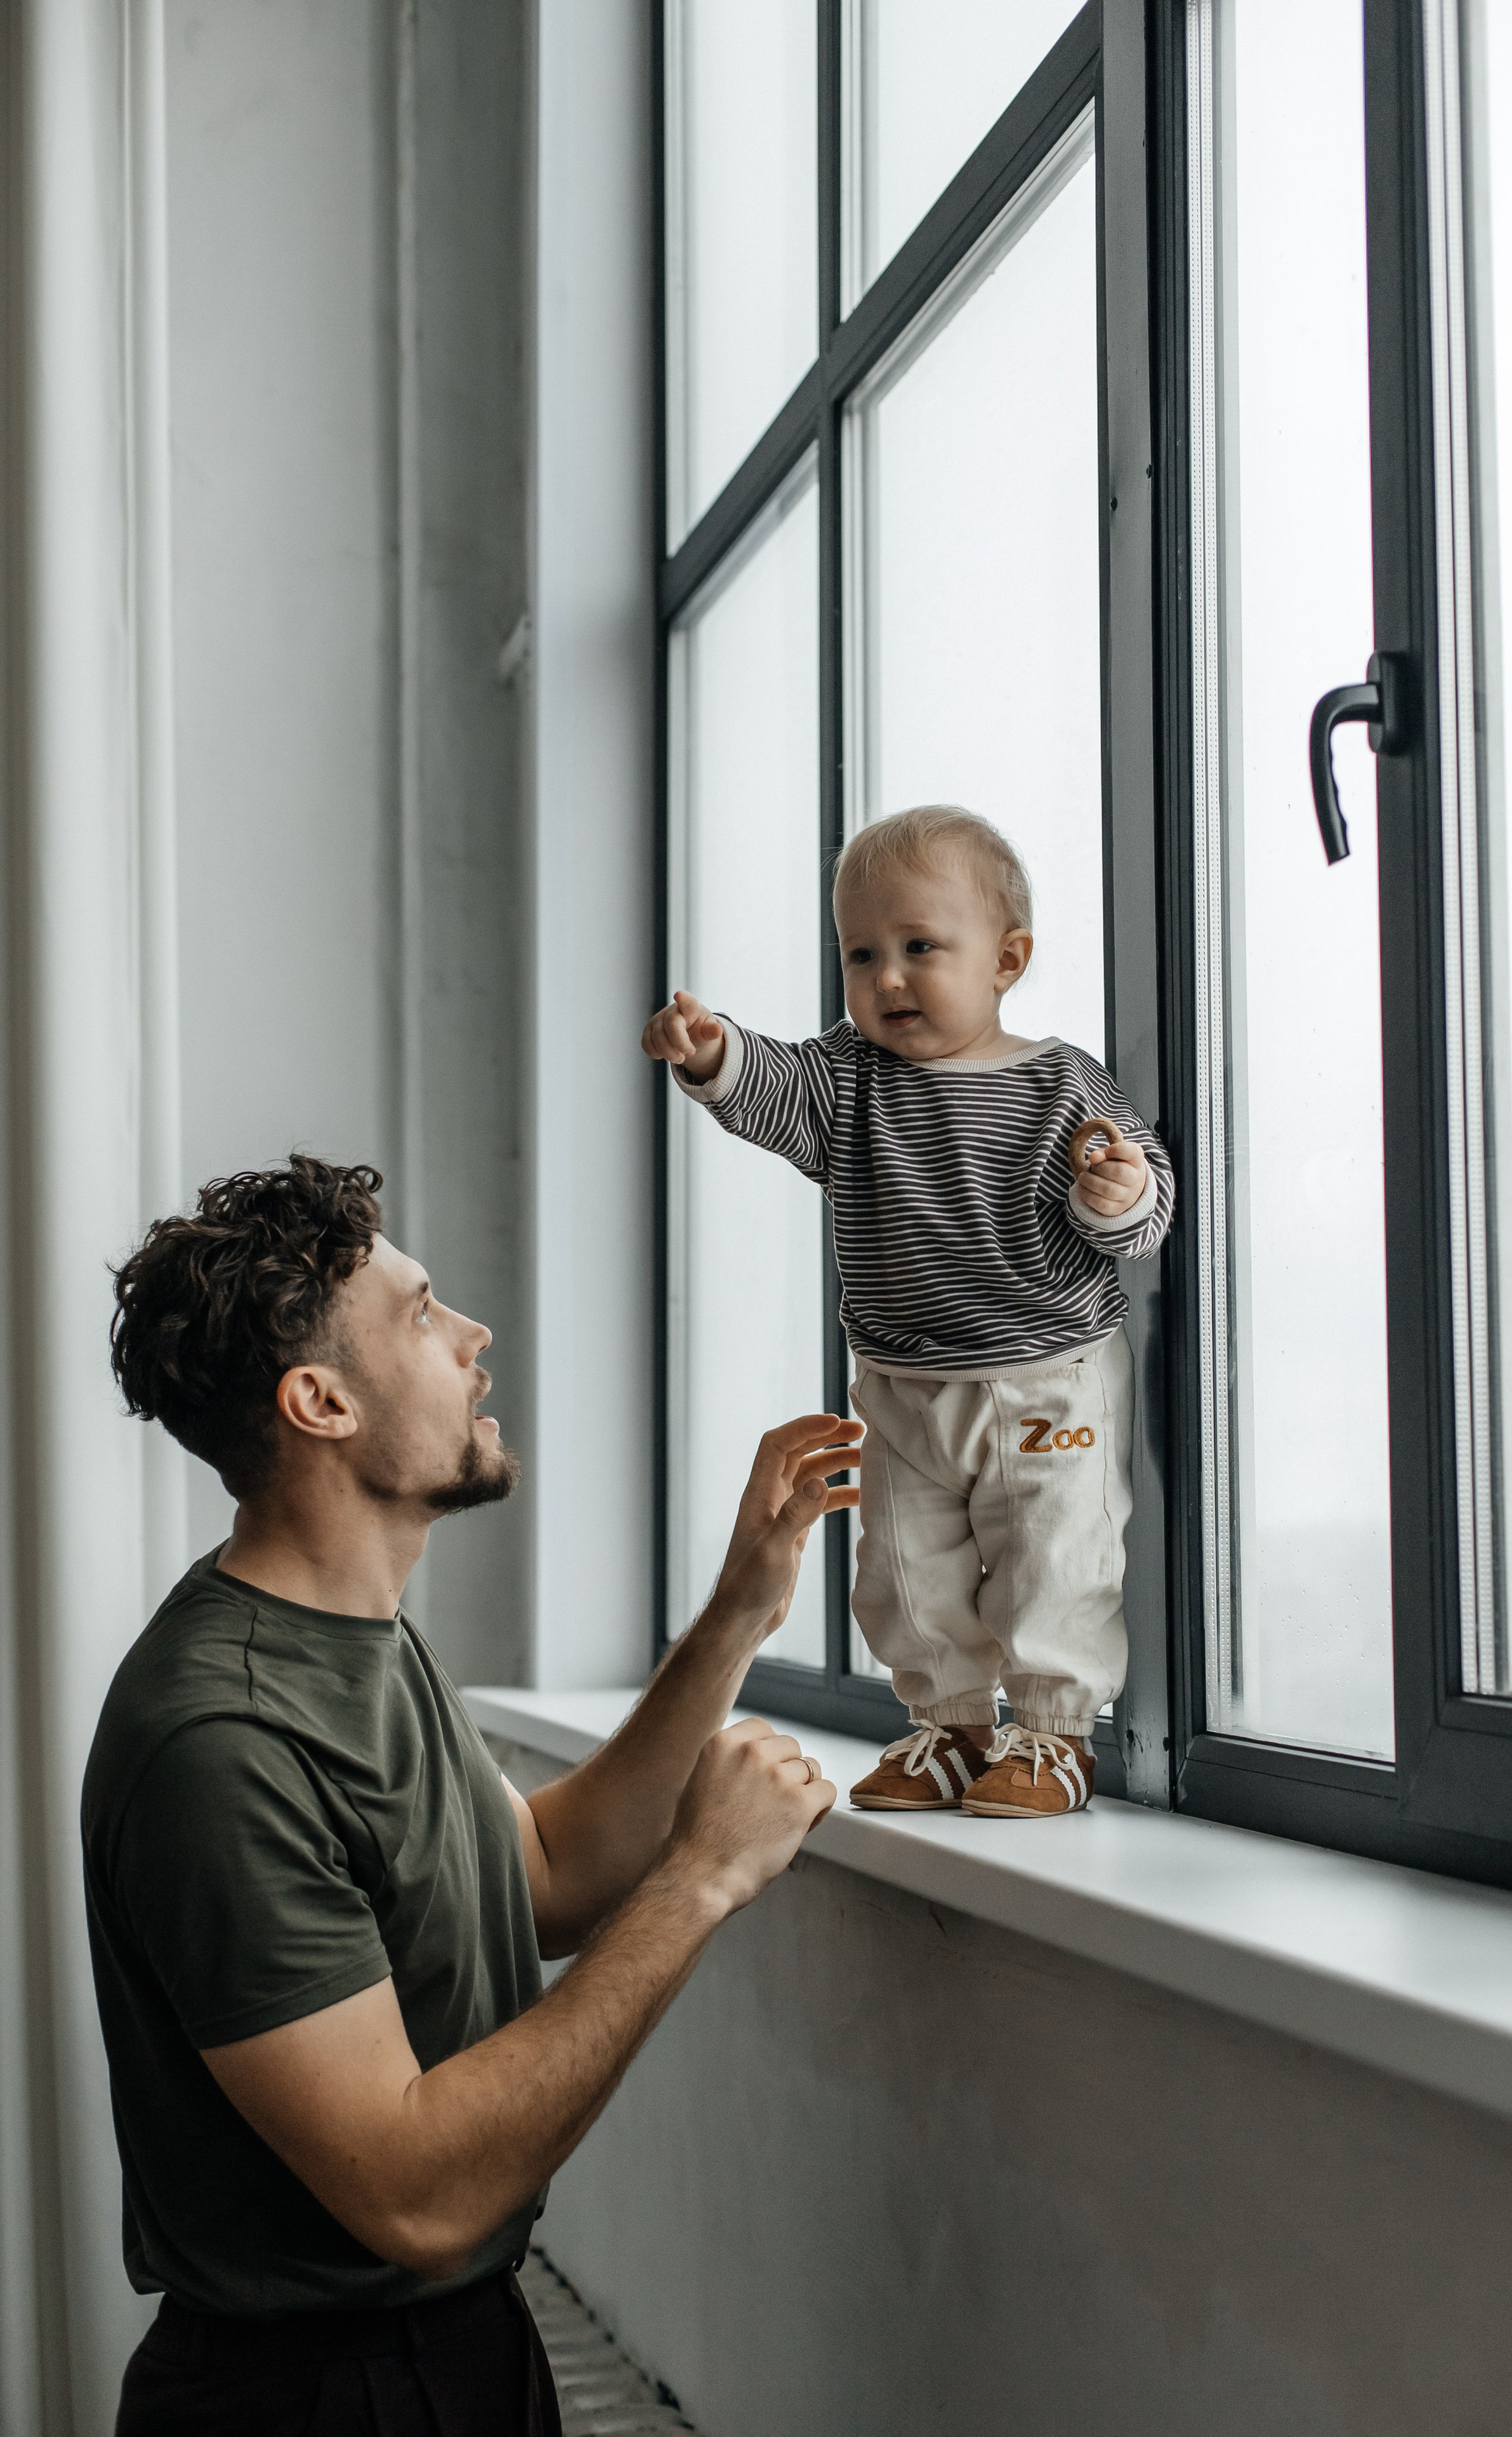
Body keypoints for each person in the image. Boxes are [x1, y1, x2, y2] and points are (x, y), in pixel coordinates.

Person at [85, 1156, 858, 2436]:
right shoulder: (223, 1741)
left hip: (456, 2353)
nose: (472, 1333)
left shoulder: (357, 1636)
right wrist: (699, 1881)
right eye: (421, 1312)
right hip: (313, 2400)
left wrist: (738, 1613)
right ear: (321, 1402)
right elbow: (418, 2195)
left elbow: (542, 1875)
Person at [643, 804, 1174, 1821]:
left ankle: (1055, 1734)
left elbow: (1138, 1202)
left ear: (1006, 959)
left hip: (1046, 1374)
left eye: (919, 948)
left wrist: (1119, 1194)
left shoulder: (1060, 1081)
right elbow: (769, 1084)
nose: (887, 979)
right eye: (862, 955)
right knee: (901, 1567)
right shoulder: (848, 1080)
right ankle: (952, 1727)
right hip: (899, 1380)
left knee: (1056, 1556)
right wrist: (711, 1054)